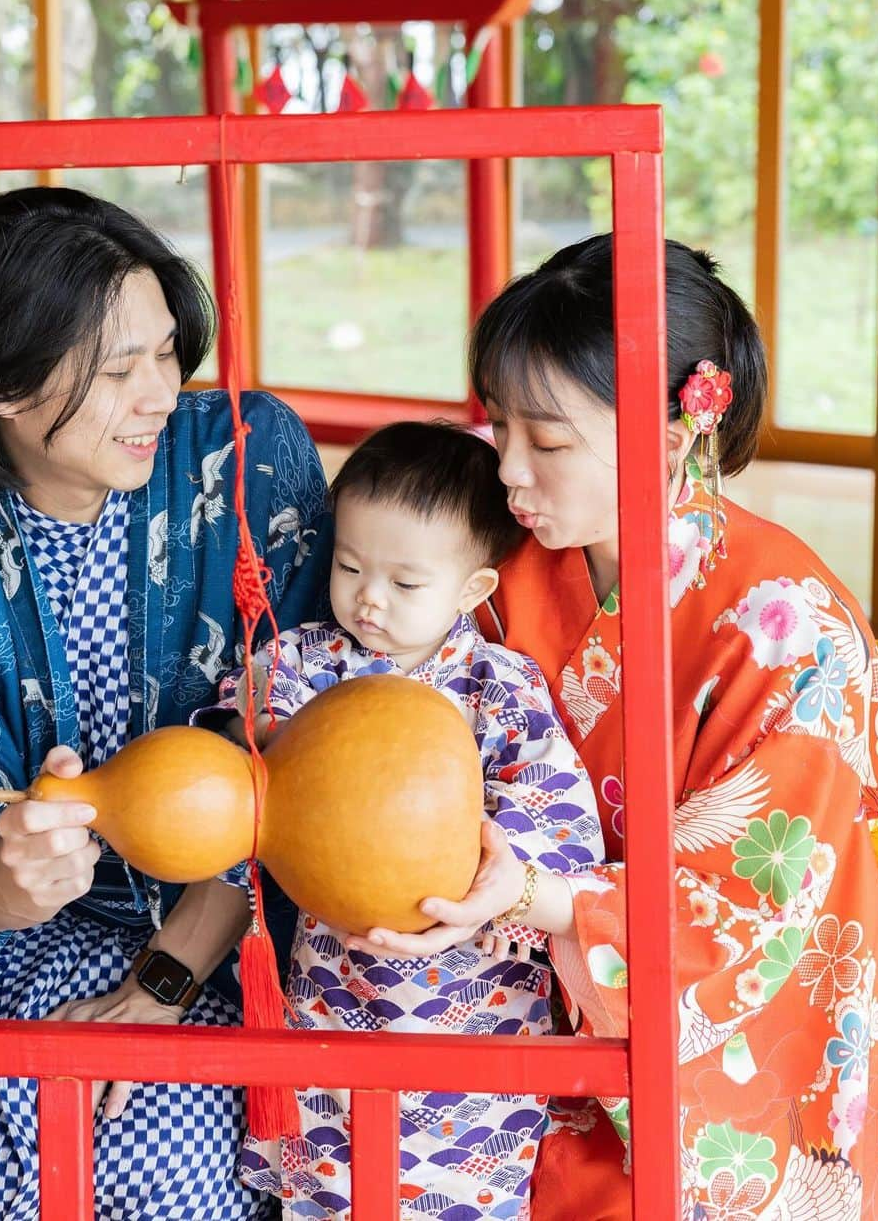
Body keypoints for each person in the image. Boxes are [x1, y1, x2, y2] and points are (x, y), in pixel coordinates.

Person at [348, 238, 878, 1218]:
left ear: (675, 428)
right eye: (500, 425)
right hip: (524, 980)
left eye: (550, 437)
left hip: (740, 1030)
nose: (512, 468)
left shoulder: (790, 623)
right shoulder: (505, 565)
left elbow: (759, 899)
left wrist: (542, 893)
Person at [0, 186, 332, 1220]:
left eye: (166, 352)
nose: (160, 392)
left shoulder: (247, 463)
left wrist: (162, 984)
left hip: (228, 927)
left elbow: (306, 755)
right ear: (2, 387)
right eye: (119, 371)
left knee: (157, 1160)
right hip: (11, 949)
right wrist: (15, 877)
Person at [206, 421, 604, 1220]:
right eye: (350, 567)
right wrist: (275, 750)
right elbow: (236, 763)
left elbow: (556, 810)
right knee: (333, 1179)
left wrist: (502, 877)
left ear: (472, 591)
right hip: (335, 984)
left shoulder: (499, 685)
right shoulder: (299, 664)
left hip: (475, 1002)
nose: (370, 598)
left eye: (405, 582)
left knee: (462, 1186)